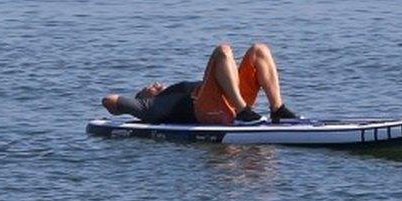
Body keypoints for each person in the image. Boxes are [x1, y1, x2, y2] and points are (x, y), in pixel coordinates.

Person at [101, 43, 299, 125]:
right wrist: (137, 101)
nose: (155, 84)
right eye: (149, 87)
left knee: (259, 49)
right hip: (209, 108)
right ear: (145, 97)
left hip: (230, 97)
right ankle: (242, 113)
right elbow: (108, 101)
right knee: (223, 51)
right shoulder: (152, 106)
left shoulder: (170, 91)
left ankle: (277, 109)